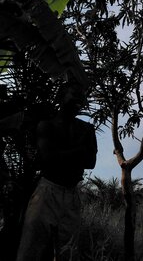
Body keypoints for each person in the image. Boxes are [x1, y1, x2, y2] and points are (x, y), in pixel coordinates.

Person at [16, 83, 97, 261]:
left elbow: (90, 162)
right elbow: (48, 158)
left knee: (67, 252)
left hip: (72, 194)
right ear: (61, 96)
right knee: (31, 248)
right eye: (74, 94)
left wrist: (62, 153)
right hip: (47, 191)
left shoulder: (86, 129)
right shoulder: (46, 125)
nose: (79, 100)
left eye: (81, 97)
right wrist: (78, 151)